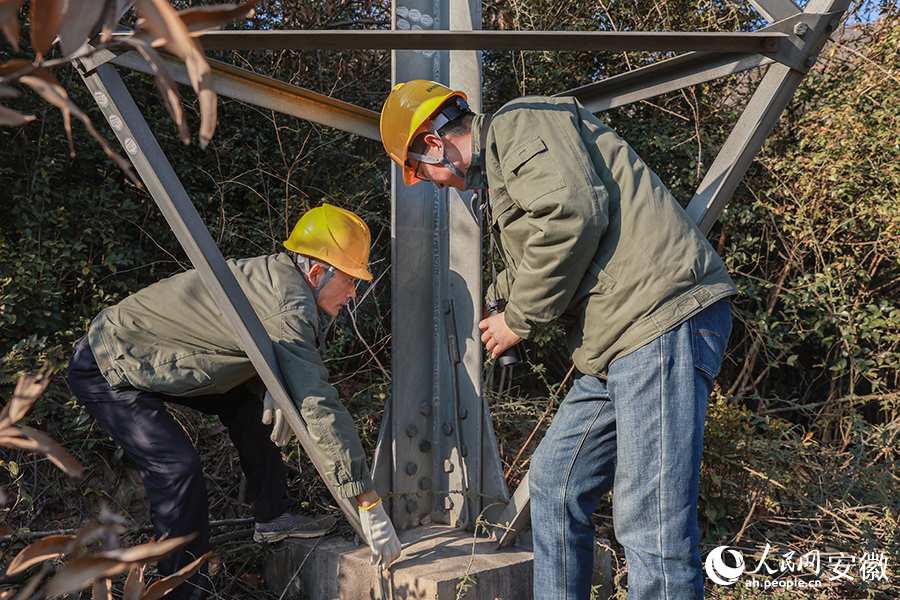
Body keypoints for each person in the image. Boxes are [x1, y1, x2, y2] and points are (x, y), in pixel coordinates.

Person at [380, 80, 737, 600]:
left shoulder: (519, 122)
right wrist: (500, 296)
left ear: (434, 143)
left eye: (420, 171)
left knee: (650, 522)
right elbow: (540, 248)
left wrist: (517, 319)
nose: (431, 185)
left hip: (657, 320)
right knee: (554, 486)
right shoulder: (505, 167)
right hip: (615, 344)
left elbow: (572, 217)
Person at [66, 204, 401, 600]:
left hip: (158, 356)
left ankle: (274, 515)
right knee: (177, 469)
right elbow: (318, 403)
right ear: (316, 273)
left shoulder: (280, 279)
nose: (353, 293)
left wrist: (271, 390)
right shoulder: (290, 304)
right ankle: (180, 593)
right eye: (349, 280)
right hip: (108, 362)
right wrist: (367, 499)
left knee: (250, 406)